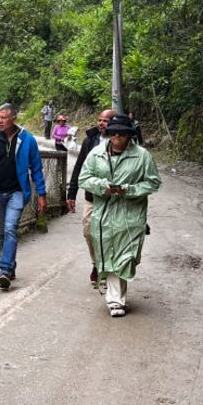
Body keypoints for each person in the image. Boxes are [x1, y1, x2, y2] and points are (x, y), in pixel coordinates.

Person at [77, 113, 161, 316]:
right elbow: (84, 178)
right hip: (103, 213)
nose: (117, 137)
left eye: (121, 134)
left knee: (125, 256)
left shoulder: (142, 156)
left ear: (129, 135)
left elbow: (153, 182)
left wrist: (129, 190)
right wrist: (102, 186)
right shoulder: (96, 154)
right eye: (113, 133)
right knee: (107, 250)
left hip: (130, 214)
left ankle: (115, 299)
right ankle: (114, 298)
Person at [0, 103, 47, 290]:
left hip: (17, 192)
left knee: (11, 227)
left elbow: (36, 168)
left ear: (13, 118)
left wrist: (42, 194)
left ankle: (4, 270)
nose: (0, 120)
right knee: (4, 232)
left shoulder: (27, 140)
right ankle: (11, 266)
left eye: (4, 117)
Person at [67, 109, 115, 287]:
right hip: (91, 197)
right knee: (89, 232)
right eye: (100, 120)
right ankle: (96, 263)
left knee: (109, 234)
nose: (101, 124)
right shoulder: (90, 140)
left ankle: (107, 267)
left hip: (113, 198)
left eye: (106, 121)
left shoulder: (120, 141)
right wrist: (71, 194)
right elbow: (79, 167)